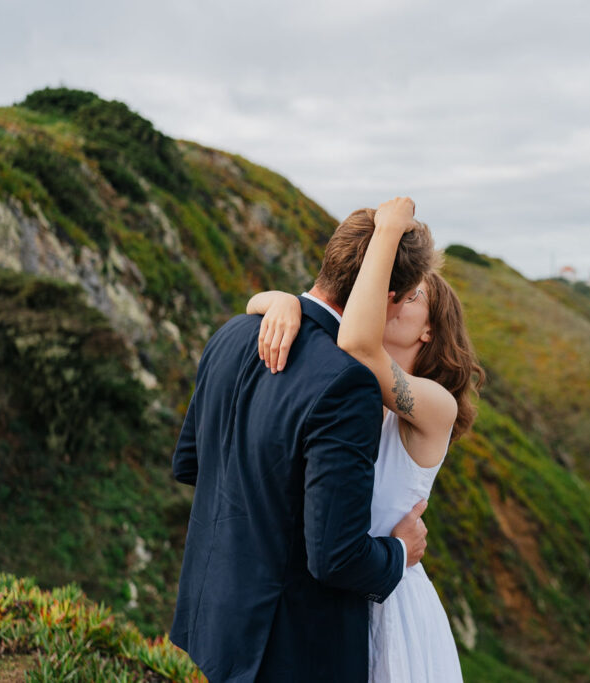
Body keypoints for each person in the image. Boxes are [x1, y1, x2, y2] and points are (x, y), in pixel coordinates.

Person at [170, 200, 438, 682]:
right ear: (388, 295)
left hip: (216, 612)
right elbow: (336, 556)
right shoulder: (348, 383)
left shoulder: (232, 333)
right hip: (288, 644)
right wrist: (400, 551)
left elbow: (192, 462)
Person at [247, 197, 483, 682]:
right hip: (335, 595)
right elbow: (269, 310)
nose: (393, 298)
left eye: (411, 296)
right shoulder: (352, 388)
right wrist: (284, 302)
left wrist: (391, 230)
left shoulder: (437, 405)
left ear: (430, 330)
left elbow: (356, 341)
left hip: (390, 602)